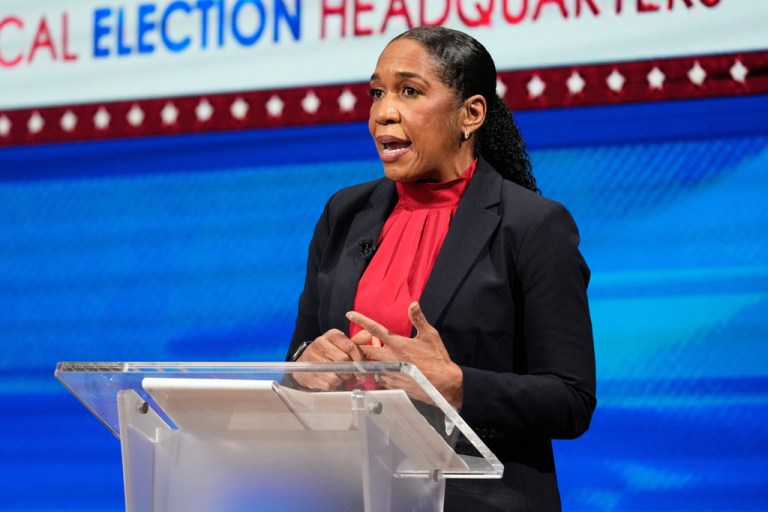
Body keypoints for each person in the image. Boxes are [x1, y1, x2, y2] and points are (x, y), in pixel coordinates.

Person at [286, 26, 596, 511]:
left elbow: (571, 401)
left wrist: (456, 383)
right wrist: (307, 367)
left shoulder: (533, 226)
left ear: (470, 113)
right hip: (351, 492)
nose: (382, 112)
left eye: (409, 91)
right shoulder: (344, 213)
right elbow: (297, 356)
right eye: (377, 93)